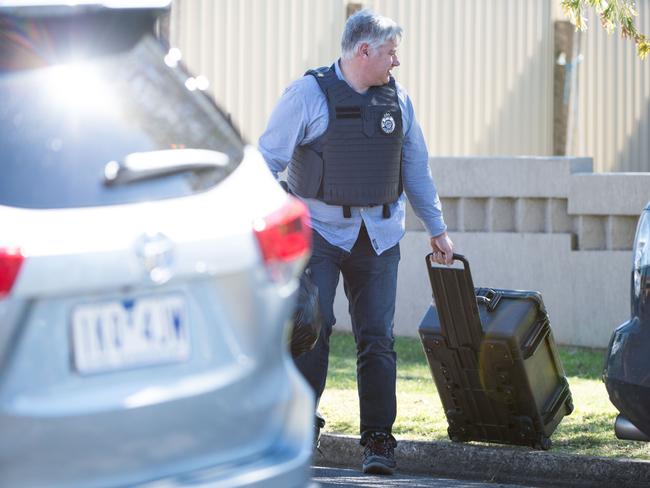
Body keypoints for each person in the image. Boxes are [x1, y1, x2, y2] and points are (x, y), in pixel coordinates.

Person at [258, 9, 453, 475]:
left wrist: (437, 228)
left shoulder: (399, 101)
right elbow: (266, 161)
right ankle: (302, 430)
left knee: (378, 339)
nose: (396, 62)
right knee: (311, 328)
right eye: (390, 52)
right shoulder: (308, 94)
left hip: (380, 237)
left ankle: (378, 441)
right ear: (363, 50)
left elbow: (417, 171)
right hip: (320, 234)